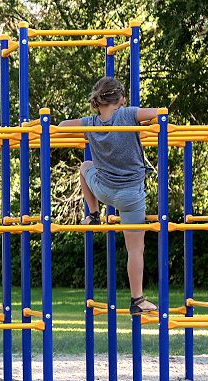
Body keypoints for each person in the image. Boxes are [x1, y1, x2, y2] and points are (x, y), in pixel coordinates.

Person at [59, 76, 158, 316]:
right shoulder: (128, 115)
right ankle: (137, 300)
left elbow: (61, 126)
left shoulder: (91, 122)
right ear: (121, 98)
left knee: (85, 166)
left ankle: (93, 214)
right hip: (131, 196)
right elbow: (158, 113)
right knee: (135, 249)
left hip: (103, 190)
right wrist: (146, 125)